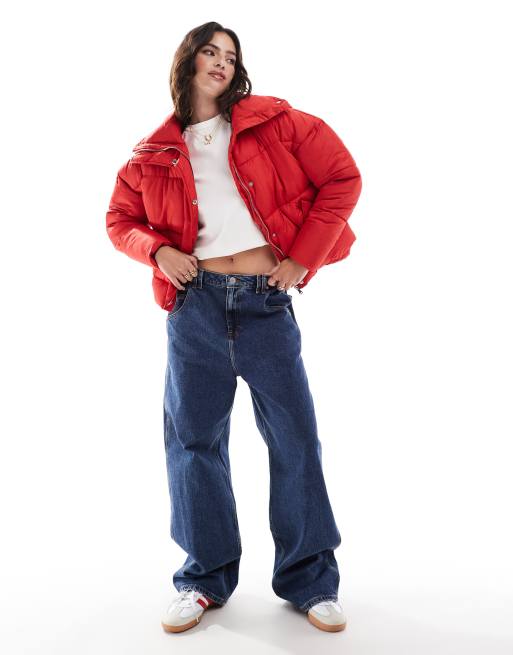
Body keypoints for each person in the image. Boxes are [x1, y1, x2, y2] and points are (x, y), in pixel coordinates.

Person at [106, 21, 362, 634]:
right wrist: (158, 251)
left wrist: (302, 259)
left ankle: (310, 581)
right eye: (209, 51)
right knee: (194, 442)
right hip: (194, 306)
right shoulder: (153, 152)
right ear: (188, 61)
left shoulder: (275, 122)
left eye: (230, 55)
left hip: (264, 301)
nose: (221, 62)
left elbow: (342, 178)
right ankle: (202, 578)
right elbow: (119, 219)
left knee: (295, 436)